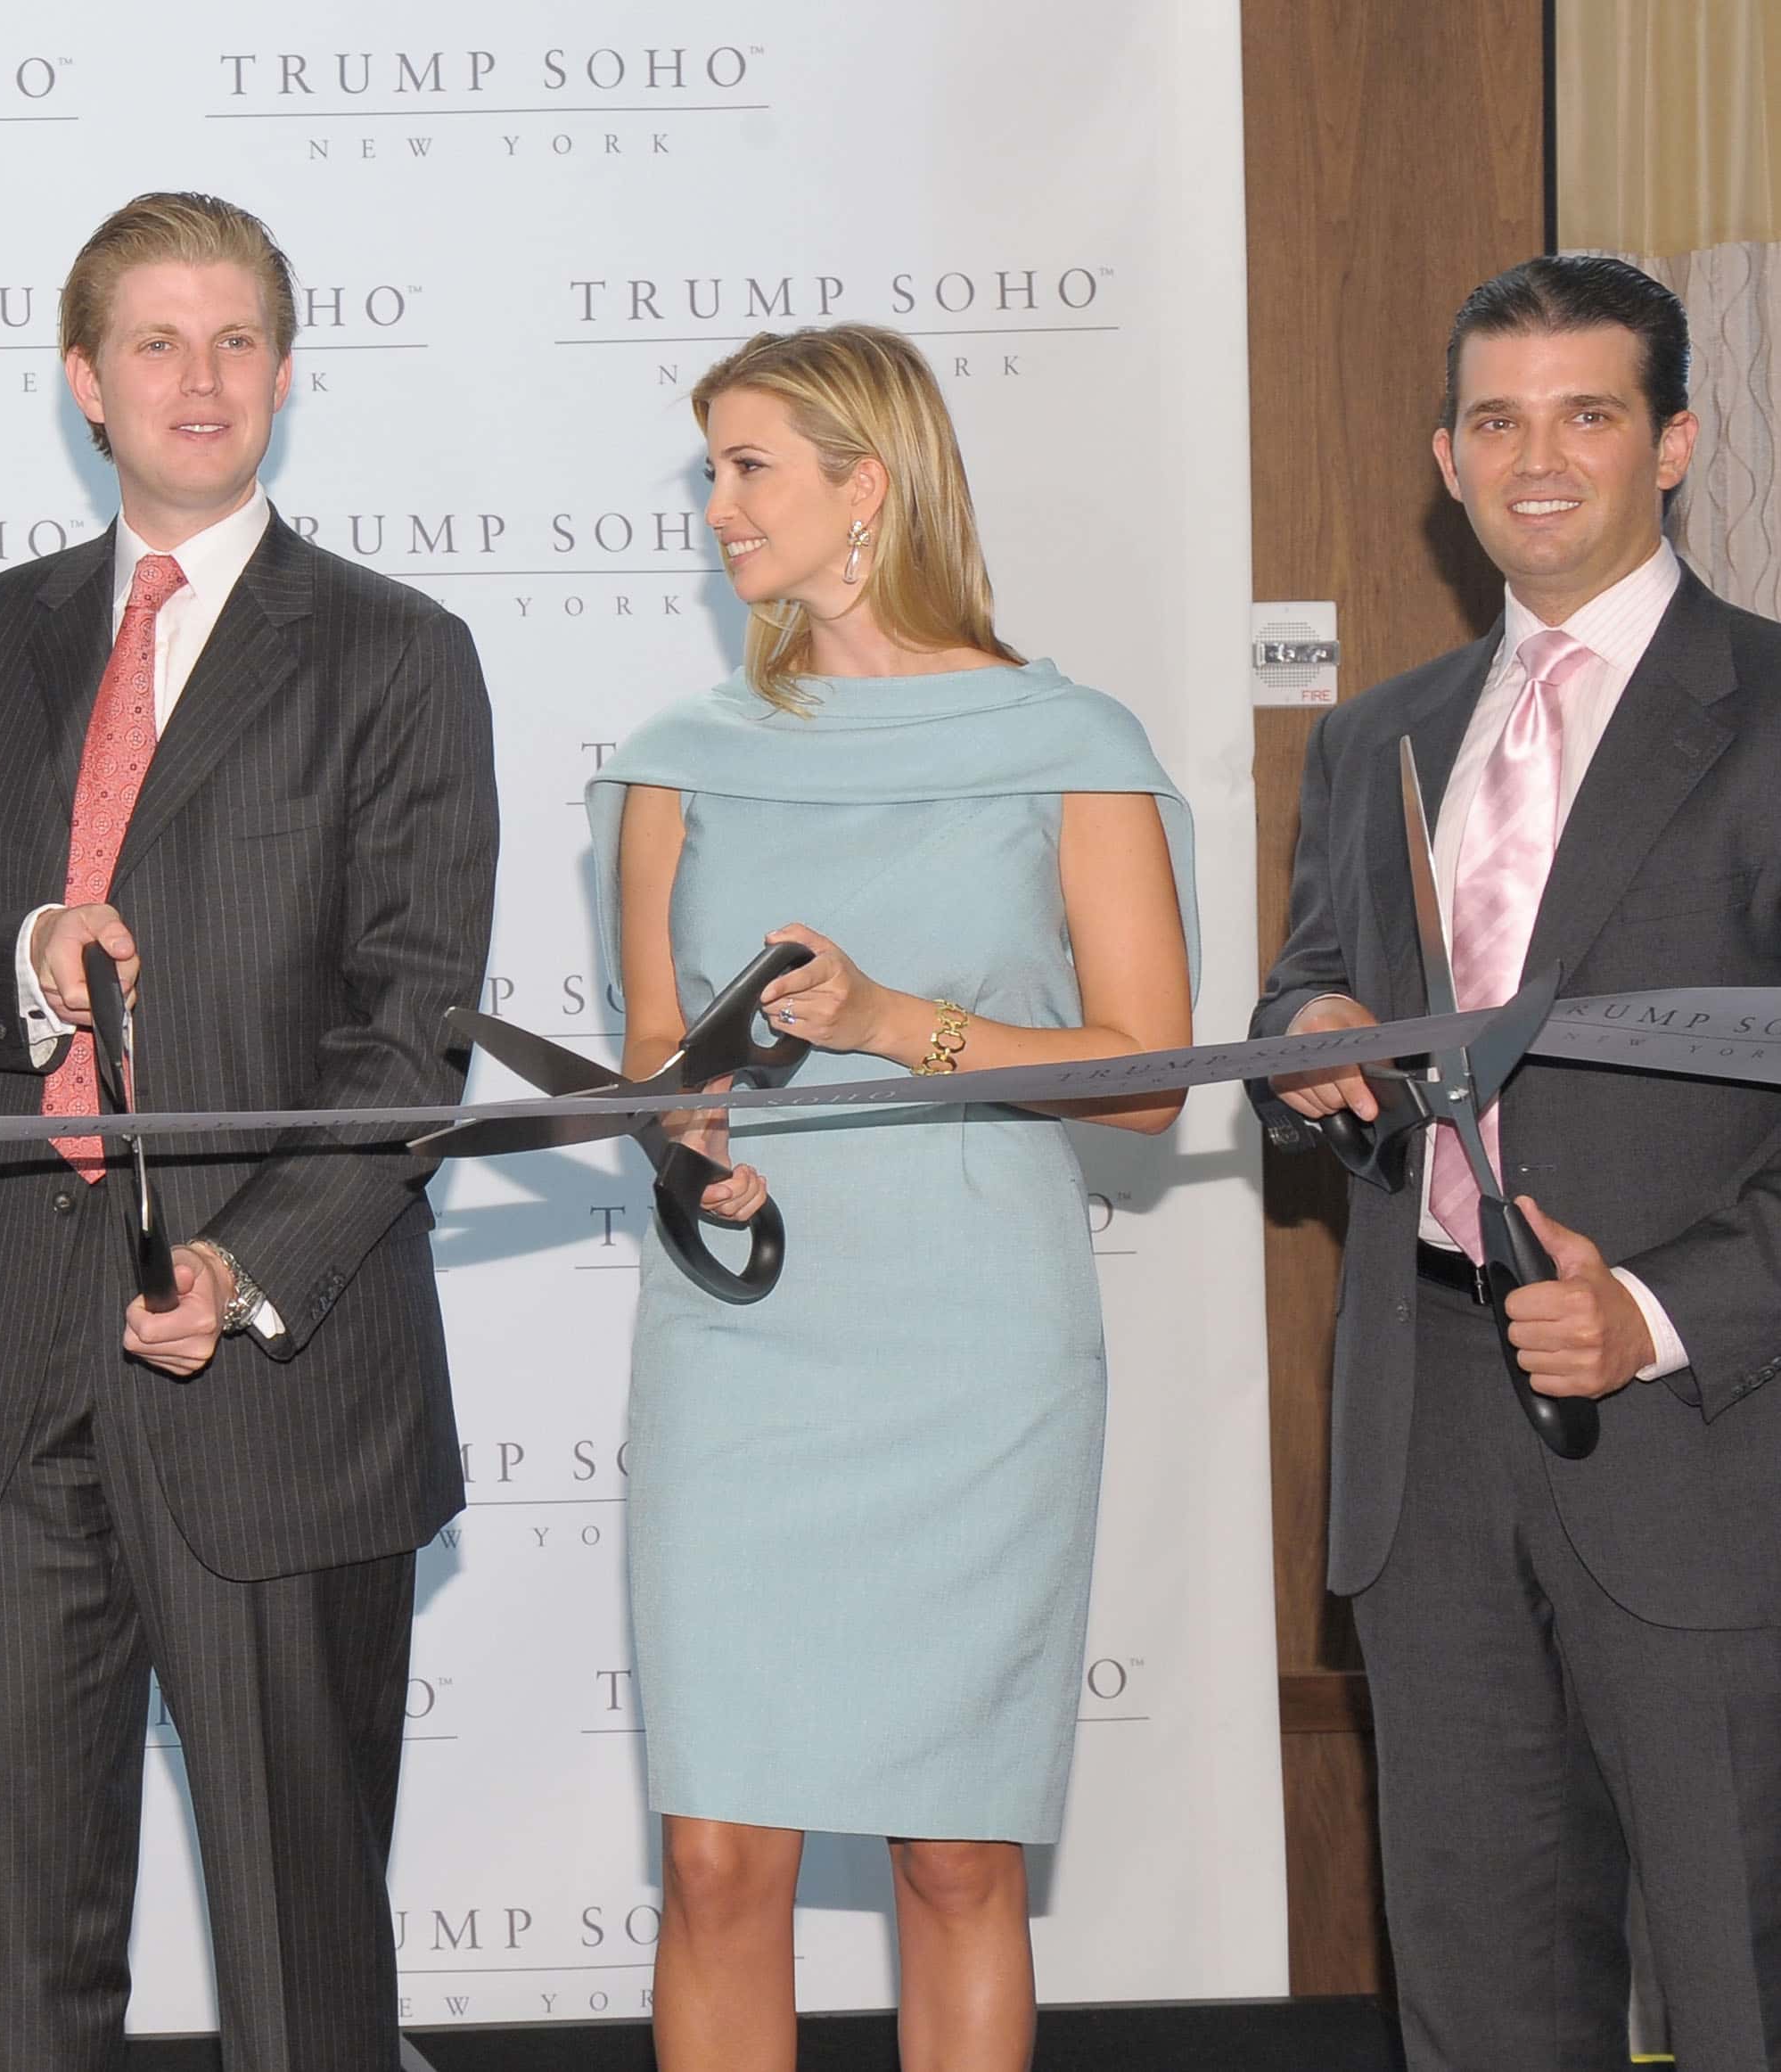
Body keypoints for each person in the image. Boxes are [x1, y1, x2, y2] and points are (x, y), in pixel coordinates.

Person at [0, 191, 498, 2072]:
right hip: (1, 1364)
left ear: (289, 373)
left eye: (237, 338)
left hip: (276, 1381)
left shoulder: (395, 651)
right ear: (86, 383)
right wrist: (26, 961)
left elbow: (413, 1039)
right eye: (155, 341)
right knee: (13, 1984)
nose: (201, 376)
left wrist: (242, 1267)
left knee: (305, 1984)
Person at [586, 325, 1196, 2072]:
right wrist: (682, 1136)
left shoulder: (1072, 742)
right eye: (710, 469)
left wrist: (891, 1024)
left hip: (974, 1345)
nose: (717, 507)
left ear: (868, 485)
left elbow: (1149, 1072)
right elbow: (654, 1057)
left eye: (749, 467)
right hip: (745, 1344)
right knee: (718, 1860)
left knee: (952, 1855)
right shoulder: (676, 758)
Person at [1254, 255, 1781, 2071]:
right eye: (1497, 420)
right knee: (1479, 2005)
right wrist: (1313, 1042)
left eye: (1587, 415)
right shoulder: (1376, 737)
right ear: (1445, 457)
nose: (1536, 458)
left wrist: (1658, 1311)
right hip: (1428, 1443)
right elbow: (1305, 994)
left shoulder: (1773, 710)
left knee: (1742, 1992)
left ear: (1675, 444)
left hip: (1703, 1440)